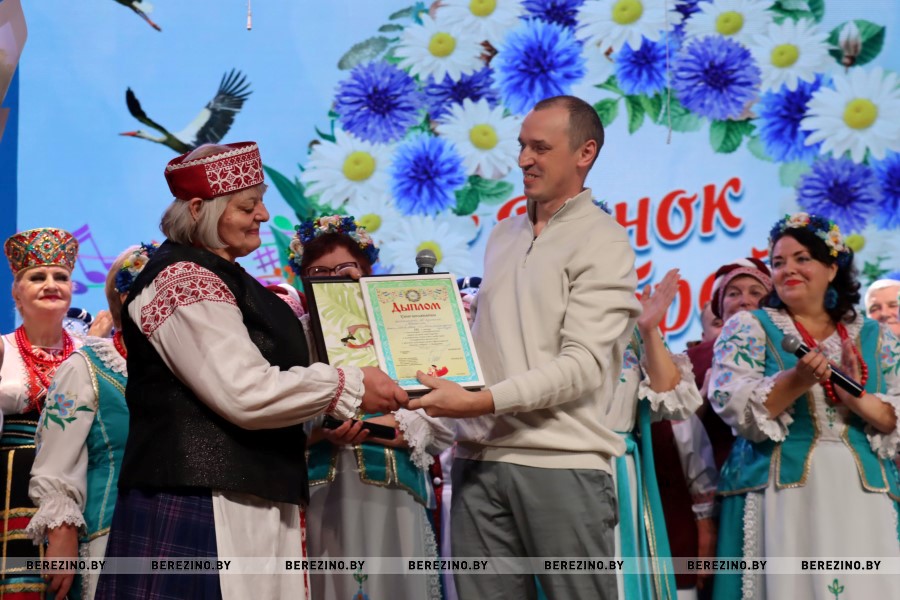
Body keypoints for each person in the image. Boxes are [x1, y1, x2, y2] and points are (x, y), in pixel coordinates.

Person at [95, 142, 407, 600]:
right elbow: (244, 391)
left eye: (260, 202)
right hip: (203, 497)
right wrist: (350, 383)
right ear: (199, 209)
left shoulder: (227, 277)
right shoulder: (184, 280)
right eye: (247, 206)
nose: (263, 215)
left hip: (243, 490)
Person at [410, 95, 641, 600]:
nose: (523, 160)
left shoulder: (604, 241)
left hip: (561, 462)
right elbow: (490, 346)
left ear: (585, 153)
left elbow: (582, 366)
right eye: (521, 146)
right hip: (477, 459)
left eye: (540, 147)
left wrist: (481, 402)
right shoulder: (502, 234)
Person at [710, 213, 900, 599]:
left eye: (802, 259)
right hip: (783, 493)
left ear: (832, 268)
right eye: (778, 262)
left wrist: (854, 398)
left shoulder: (876, 336)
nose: (788, 269)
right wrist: (797, 379)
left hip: (862, 492)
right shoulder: (750, 326)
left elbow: (891, 416)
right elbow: (733, 403)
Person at [289, 216, 452, 600]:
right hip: (323, 491)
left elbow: (442, 422)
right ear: (303, 278)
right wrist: (322, 432)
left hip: (396, 489)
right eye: (319, 272)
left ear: (366, 272)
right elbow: (282, 408)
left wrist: (387, 426)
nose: (334, 279)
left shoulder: (402, 326)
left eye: (345, 269)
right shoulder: (296, 335)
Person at [27, 243, 157, 600]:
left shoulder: (191, 370)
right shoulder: (86, 368)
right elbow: (55, 461)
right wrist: (62, 531)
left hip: (182, 532)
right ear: (127, 298)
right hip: (111, 535)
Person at [607, 268, 703, 600]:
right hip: (564, 462)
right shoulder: (547, 324)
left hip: (621, 473)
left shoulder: (630, 328)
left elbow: (673, 396)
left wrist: (649, 329)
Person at [0, 227, 81, 598]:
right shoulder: (3, 349)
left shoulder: (90, 352)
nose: (51, 284)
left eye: (60, 277)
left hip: (77, 480)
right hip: (8, 484)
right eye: (37, 277)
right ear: (16, 292)